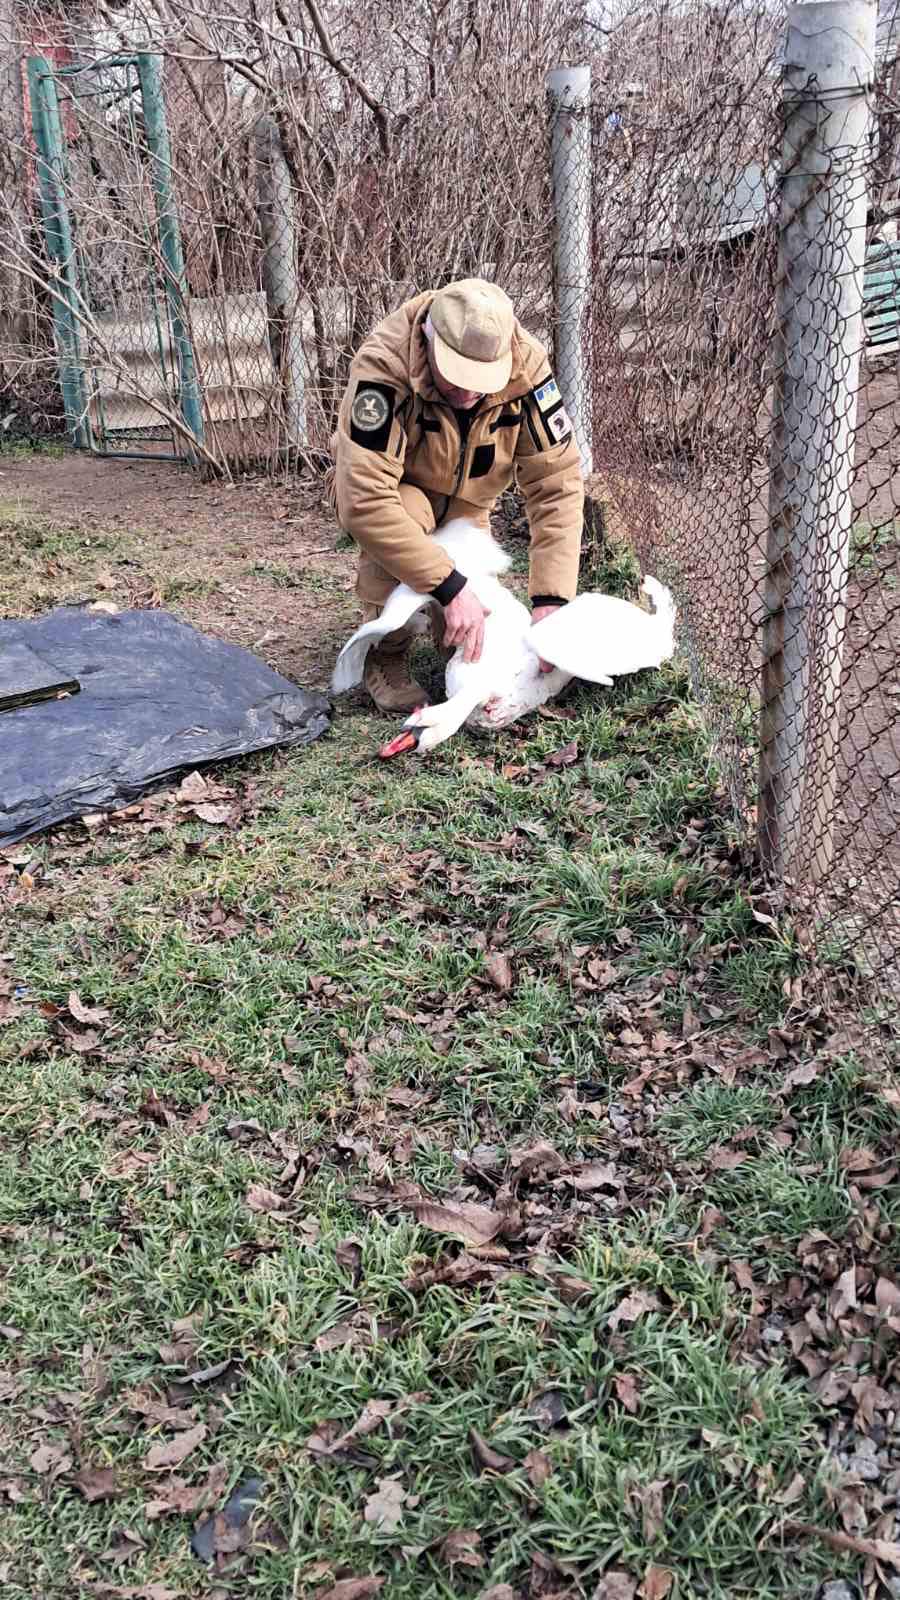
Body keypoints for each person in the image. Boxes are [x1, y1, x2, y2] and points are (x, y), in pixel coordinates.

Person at [329, 278, 584, 712]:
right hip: (397, 497)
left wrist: (551, 601)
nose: (468, 394)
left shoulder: (527, 369)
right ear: (430, 337)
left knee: (471, 630)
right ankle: (386, 650)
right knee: (409, 521)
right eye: (457, 376)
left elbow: (557, 484)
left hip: (469, 505)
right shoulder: (384, 365)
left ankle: (448, 625)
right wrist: (449, 586)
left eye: (480, 381)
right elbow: (365, 500)